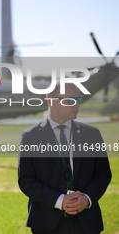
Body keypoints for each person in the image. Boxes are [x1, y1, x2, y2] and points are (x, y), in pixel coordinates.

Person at [18, 83, 112, 234]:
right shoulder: (30, 136)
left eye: (78, 99)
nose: (77, 105)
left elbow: (103, 174)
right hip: (46, 224)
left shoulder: (92, 133)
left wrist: (87, 199)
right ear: (51, 102)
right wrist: (60, 200)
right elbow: (26, 180)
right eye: (70, 100)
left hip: (87, 222)